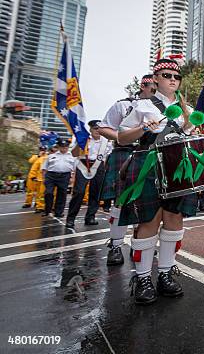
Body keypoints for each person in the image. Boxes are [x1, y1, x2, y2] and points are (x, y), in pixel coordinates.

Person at [118, 58, 197, 305]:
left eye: (176, 77)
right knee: (149, 220)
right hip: (148, 165)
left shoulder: (189, 111)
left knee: (174, 219)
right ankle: (142, 277)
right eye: (166, 75)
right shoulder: (141, 105)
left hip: (176, 167)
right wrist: (142, 128)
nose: (172, 80)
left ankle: (164, 274)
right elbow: (121, 137)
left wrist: (193, 129)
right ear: (155, 79)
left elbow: (190, 139)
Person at [98, 74, 156, 266]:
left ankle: (138, 245)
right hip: (125, 153)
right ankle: (115, 246)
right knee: (121, 202)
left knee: (145, 203)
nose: (156, 90)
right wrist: (125, 136)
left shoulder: (160, 108)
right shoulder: (124, 105)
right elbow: (104, 128)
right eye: (152, 86)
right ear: (143, 85)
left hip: (148, 155)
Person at [65, 120, 112, 228]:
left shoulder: (106, 142)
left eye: (99, 129)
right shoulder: (83, 139)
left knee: (95, 193)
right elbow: (74, 154)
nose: (97, 131)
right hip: (83, 165)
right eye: (95, 128)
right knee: (79, 192)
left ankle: (90, 217)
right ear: (90, 129)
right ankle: (71, 218)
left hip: (98, 166)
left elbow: (106, 158)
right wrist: (81, 143)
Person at [41, 139, 77, 219]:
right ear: (59, 147)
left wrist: (72, 178)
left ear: (68, 147)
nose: (64, 149)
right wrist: (44, 178)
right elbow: (44, 168)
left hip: (65, 176)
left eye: (65, 147)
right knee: (48, 193)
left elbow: (74, 170)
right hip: (51, 176)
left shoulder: (72, 157)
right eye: (62, 147)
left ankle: (58, 212)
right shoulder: (51, 156)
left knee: (62, 195)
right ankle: (48, 211)